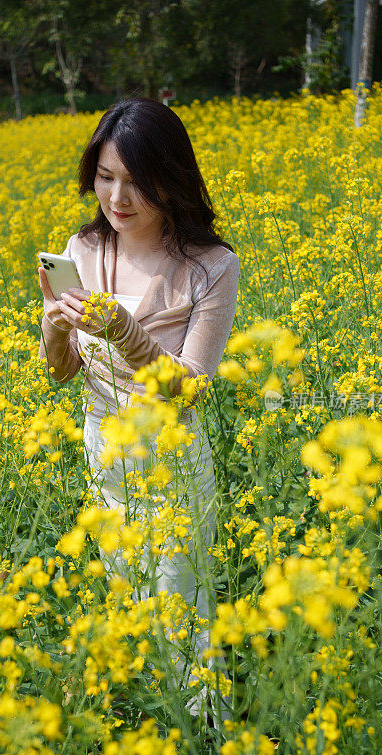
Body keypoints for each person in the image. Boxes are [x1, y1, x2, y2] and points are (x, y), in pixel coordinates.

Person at [38, 97, 239, 723]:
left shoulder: (211, 266)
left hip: (172, 464)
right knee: (127, 599)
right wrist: (52, 329)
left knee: (182, 618)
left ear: (170, 179)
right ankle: (148, 734)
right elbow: (62, 373)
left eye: (135, 181)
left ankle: (211, 748)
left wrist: (127, 332)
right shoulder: (84, 249)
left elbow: (191, 388)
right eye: (104, 176)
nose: (116, 197)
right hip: (105, 453)